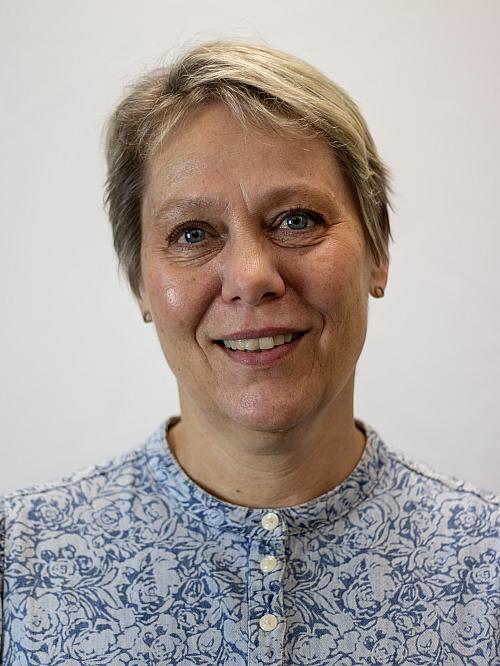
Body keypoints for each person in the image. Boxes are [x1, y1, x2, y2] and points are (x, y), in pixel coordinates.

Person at [0, 39, 498, 666]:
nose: (251, 276)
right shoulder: (18, 564)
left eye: (297, 220)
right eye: (192, 233)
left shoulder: (487, 561)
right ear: (140, 284)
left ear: (378, 251)